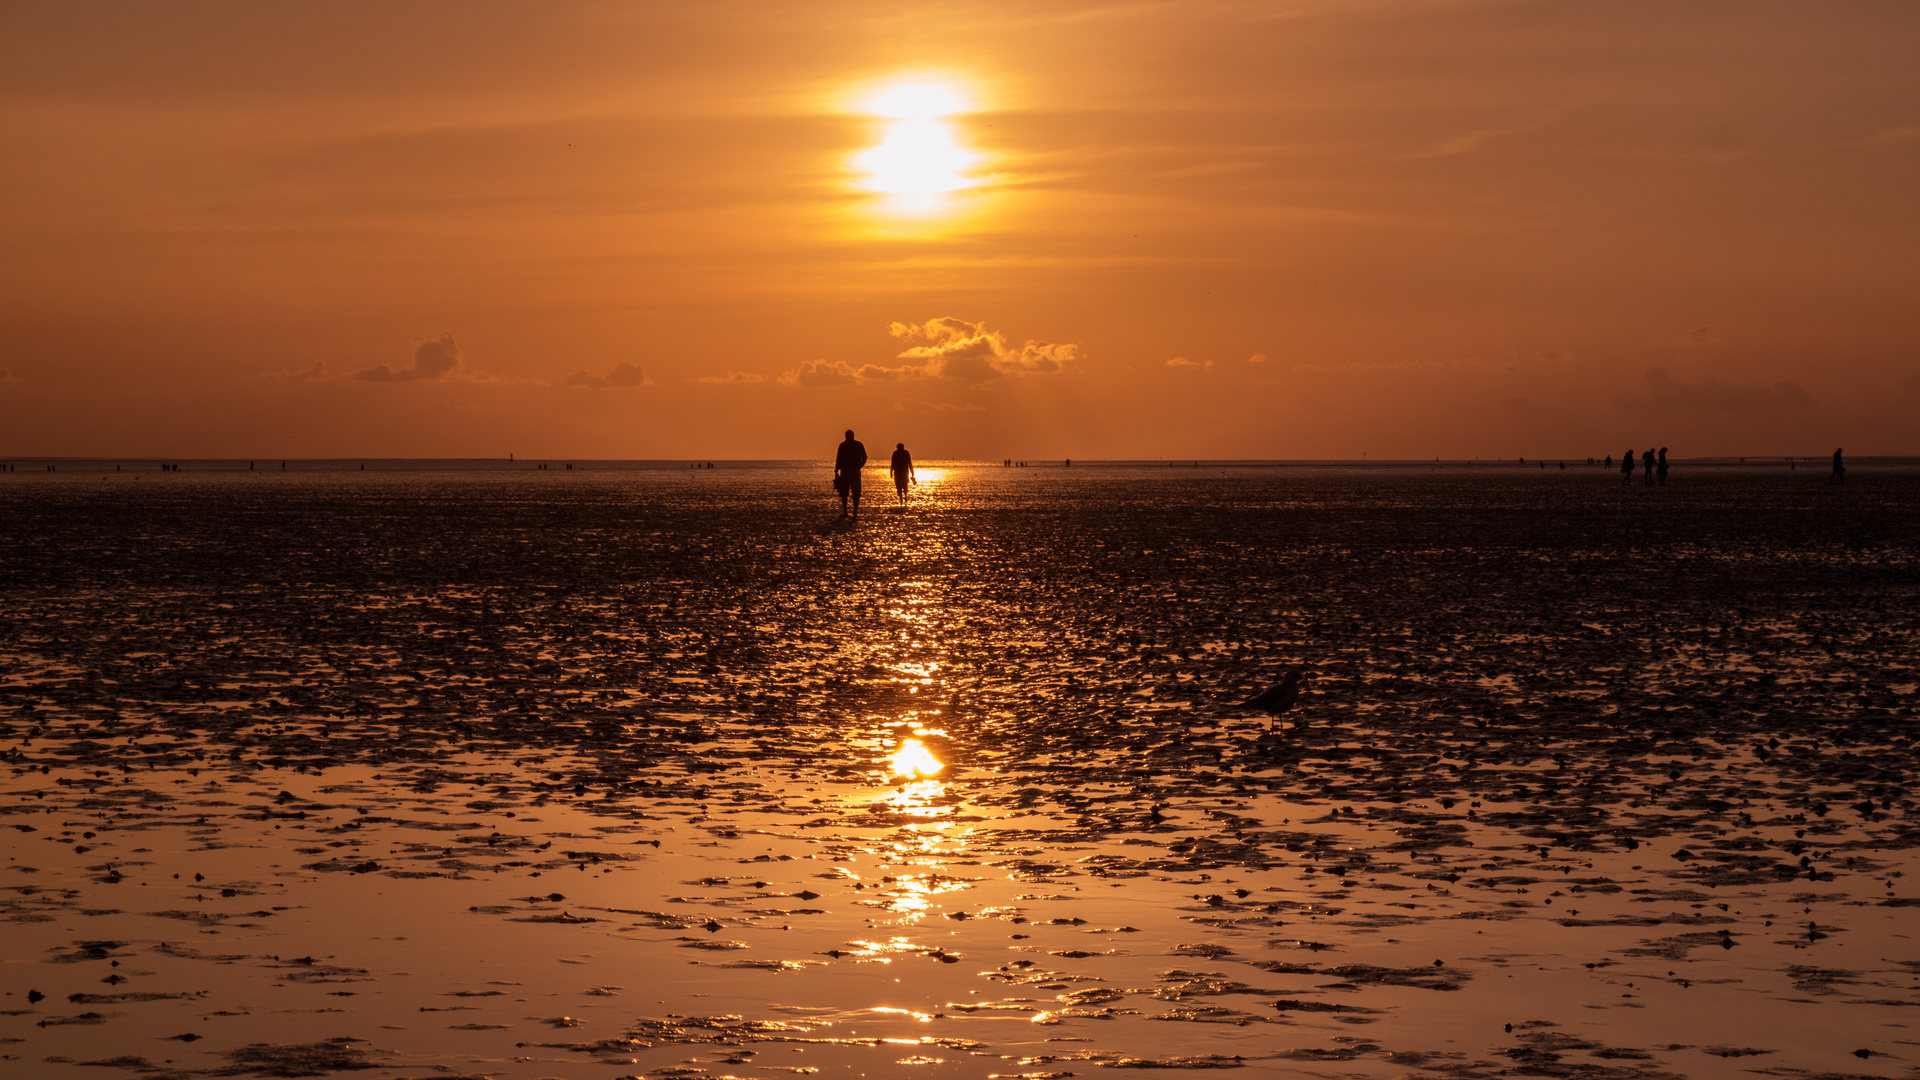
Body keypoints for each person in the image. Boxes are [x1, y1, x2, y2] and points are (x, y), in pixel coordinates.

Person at [834, 429, 868, 517]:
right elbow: (865, 457)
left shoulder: (842, 445)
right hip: (855, 471)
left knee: (844, 493)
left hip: (845, 472)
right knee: (856, 492)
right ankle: (855, 512)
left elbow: (838, 458)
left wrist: (836, 470)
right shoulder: (858, 444)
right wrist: (860, 465)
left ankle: (845, 512)